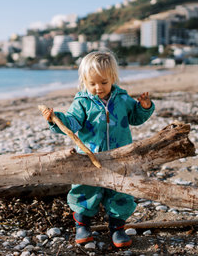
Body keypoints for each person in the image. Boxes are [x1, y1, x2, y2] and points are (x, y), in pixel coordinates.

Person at [41, 50, 154, 248]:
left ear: (112, 78)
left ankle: (117, 228)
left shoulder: (122, 98)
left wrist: (144, 107)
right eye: (92, 83)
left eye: (103, 82)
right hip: (90, 156)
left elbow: (135, 118)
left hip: (120, 156)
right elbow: (72, 123)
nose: (98, 88)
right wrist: (56, 118)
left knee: (121, 191)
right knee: (85, 190)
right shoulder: (82, 102)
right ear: (84, 81)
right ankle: (82, 225)